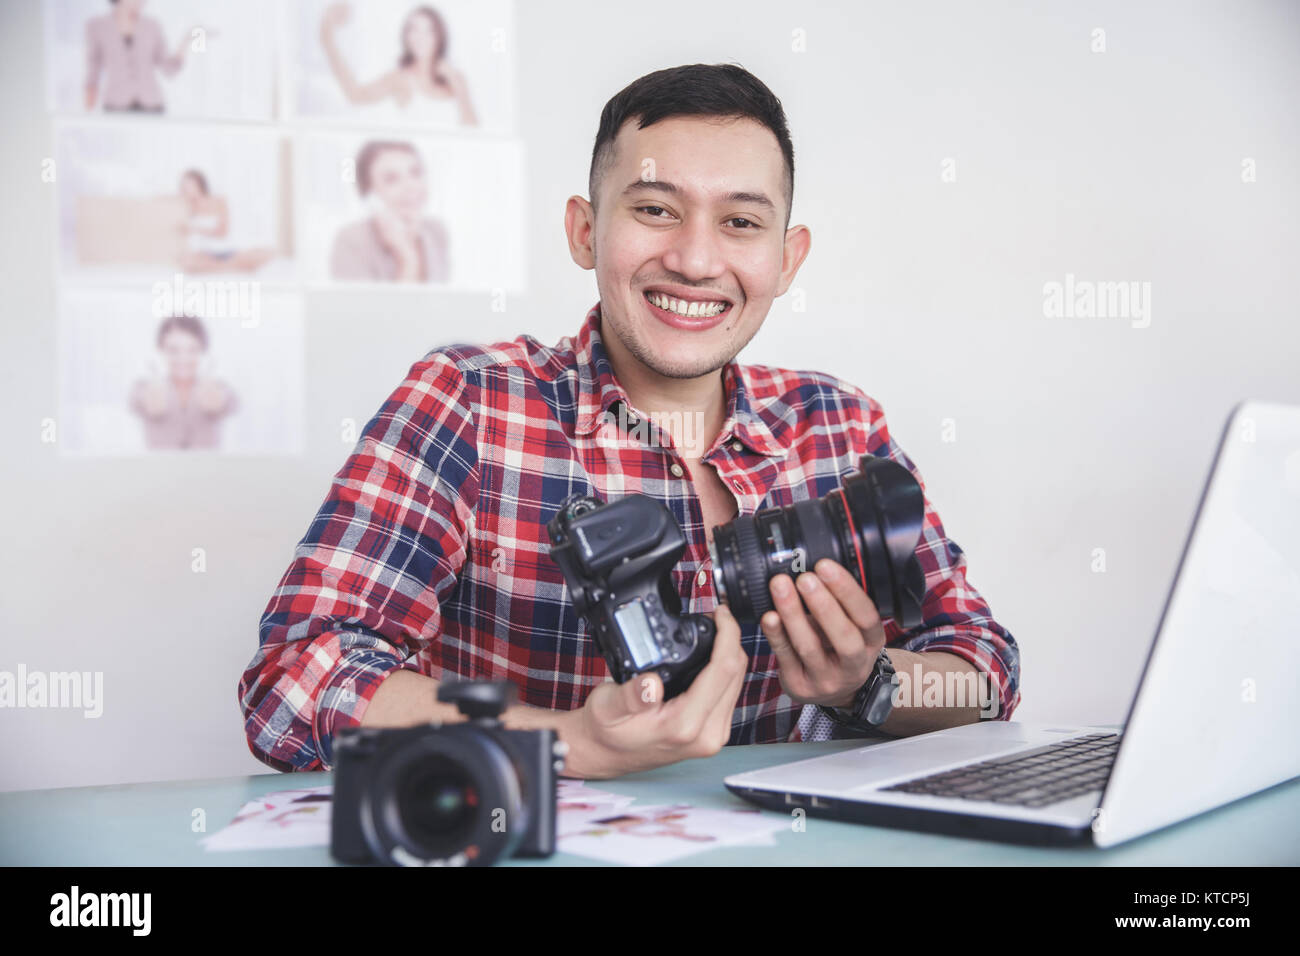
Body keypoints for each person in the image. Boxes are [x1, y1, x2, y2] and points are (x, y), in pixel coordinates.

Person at [240, 64, 1020, 777]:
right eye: (655, 209)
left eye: (741, 223)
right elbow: (296, 682)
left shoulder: (838, 425)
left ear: (787, 259)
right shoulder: (472, 402)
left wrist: (869, 683)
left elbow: (986, 678)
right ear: (586, 231)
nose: (694, 259)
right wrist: (568, 743)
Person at [318, 2, 478, 126]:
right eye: (413, 29)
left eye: (429, 30)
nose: (420, 37)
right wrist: (328, 40)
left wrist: (458, 86)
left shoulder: (457, 79)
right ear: (406, 36)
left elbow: (473, 132)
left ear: (440, 36)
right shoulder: (400, 79)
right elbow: (355, 95)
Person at [328, 141, 450, 283]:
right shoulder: (351, 241)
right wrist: (407, 259)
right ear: (370, 195)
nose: (411, 186)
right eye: (392, 179)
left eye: (415, 173)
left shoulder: (436, 231)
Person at [130, 314, 239, 450]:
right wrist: (156, 374)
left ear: (203, 351)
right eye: (173, 350)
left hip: (207, 469)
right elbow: (154, 407)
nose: (184, 358)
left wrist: (207, 378)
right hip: (160, 469)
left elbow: (215, 404)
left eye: (192, 349)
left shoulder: (220, 387)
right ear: (160, 351)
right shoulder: (143, 387)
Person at [84, 0, 199, 113]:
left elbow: (168, 69)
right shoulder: (97, 26)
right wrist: (88, 107)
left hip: (152, 105)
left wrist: (186, 41)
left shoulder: (152, 26)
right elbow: (93, 67)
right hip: (115, 104)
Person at [176, 170, 276, 274]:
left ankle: (227, 266)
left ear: (199, 184)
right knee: (185, 262)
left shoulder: (219, 201)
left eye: (189, 185)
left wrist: (194, 229)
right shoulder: (187, 207)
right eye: (184, 186)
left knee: (267, 253)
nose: (186, 189)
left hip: (228, 251)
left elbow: (222, 232)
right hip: (205, 254)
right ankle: (235, 266)